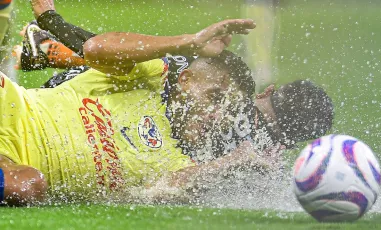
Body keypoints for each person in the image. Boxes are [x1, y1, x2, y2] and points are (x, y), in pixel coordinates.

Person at [14, 0, 334, 160]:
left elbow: (103, 46)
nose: (223, 113)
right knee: (141, 65)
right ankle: (50, 51)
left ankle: (49, 49)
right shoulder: (267, 158)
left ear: (269, 91)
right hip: (91, 118)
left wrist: (53, 21)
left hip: (94, 126)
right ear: (292, 144)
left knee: (142, 62)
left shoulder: (200, 82)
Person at [1, 14, 265, 206]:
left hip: (13, 164)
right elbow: (95, 48)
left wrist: (233, 162)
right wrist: (188, 43)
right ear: (185, 80)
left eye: (227, 109)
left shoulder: (180, 164)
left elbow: (167, 189)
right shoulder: (150, 77)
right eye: (214, 97)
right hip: (8, 105)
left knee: (28, 186)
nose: (216, 114)